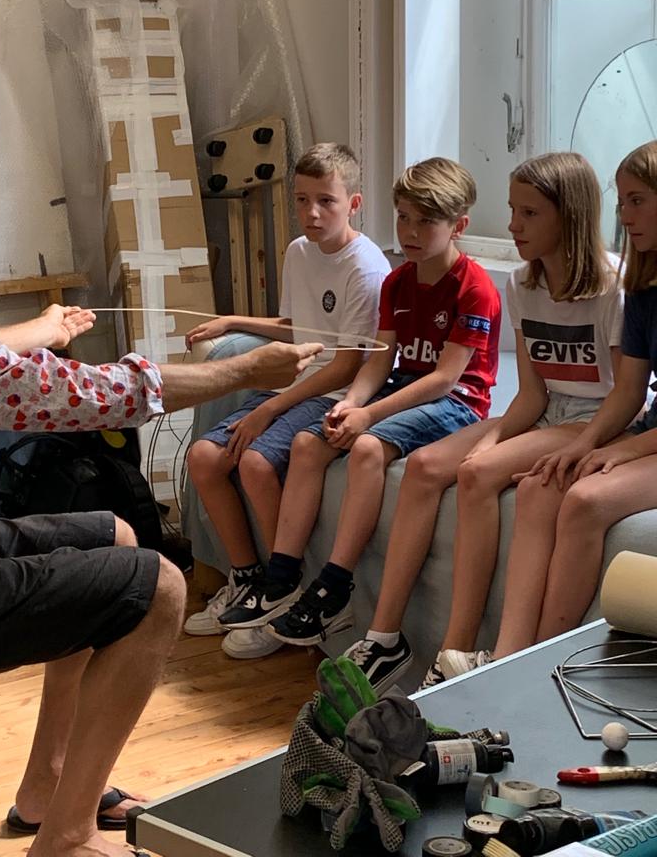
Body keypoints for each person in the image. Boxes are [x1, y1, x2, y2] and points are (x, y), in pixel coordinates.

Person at [0, 136, 321, 857]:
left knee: (116, 535)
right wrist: (246, 370)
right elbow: (92, 394)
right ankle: (65, 839)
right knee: (160, 589)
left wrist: (45, 329)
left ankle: (50, 785)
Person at [339, 151, 622, 694]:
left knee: (477, 473)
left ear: (570, 215)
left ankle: (461, 652)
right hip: (546, 412)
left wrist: (525, 446)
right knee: (433, 466)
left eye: (529, 214)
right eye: (513, 211)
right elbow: (533, 394)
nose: (513, 225)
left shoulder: (614, 287)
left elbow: (623, 396)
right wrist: (492, 436)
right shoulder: (523, 284)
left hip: (598, 419)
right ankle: (403, 641)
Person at [222, 157, 502, 651]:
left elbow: (444, 379)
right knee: (309, 444)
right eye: (403, 218)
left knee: (369, 447)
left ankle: (335, 584)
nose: (410, 232)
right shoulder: (398, 281)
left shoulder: (474, 287)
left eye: (425, 221)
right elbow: (379, 360)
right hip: (403, 384)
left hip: (456, 401)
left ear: (458, 226)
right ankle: (282, 576)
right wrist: (351, 403)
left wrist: (369, 415)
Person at [183, 143, 390, 658]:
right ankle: (248, 578)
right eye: (302, 200)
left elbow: (347, 365)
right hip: (297, 384)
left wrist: (269, 408)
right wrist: (233, 320)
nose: (312, 213)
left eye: (326, 201)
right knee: (204, 457)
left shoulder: (365, 268)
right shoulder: (298, 251)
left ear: (354, 203)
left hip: (334, 391)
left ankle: (285, 587)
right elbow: (298, 327)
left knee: (255, 462)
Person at [490, 140, 657, 659]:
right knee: (543, 484)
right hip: (649, 426)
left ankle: (542, 658)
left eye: (637, 201)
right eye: (621, 202)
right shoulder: (644, 288)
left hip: (649, 438)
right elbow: (629, 390)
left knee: (585, 500)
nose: (624, 216)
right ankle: (509, 654)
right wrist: (585, 445)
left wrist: (621, 451)